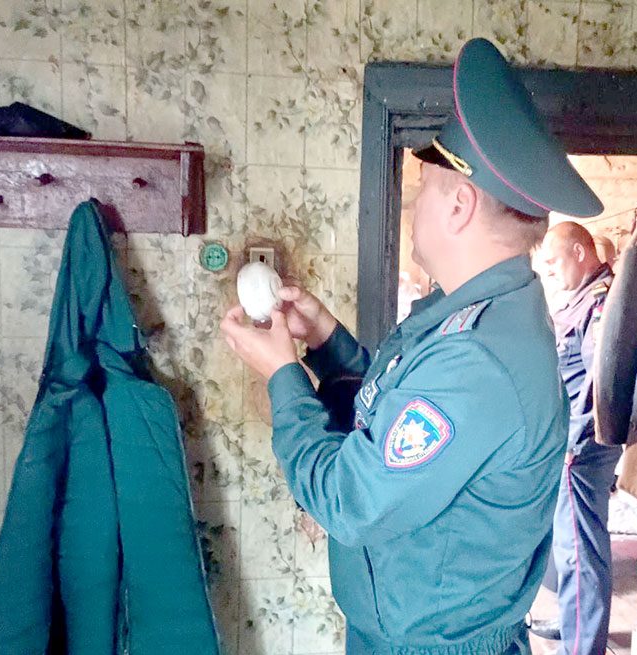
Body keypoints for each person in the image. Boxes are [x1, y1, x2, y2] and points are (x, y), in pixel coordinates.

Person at [221, 38, 603, 655]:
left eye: (423, 188)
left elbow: (350, 501)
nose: (413, 204)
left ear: (459, 206)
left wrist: (281, 377)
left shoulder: (478, 359)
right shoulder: (475, 317)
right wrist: (326, 344)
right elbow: (398, 416)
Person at [530, 221, 622, 655]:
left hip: (578, 450)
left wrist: (574, 445)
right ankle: (573, 625)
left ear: (580, 253)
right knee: (569, 547)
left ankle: (583, 647)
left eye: (553, 261)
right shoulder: (583, 299)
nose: (549, 270)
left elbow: (598, 385)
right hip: (570, 445)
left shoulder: (600, 303)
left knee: (580, 553)